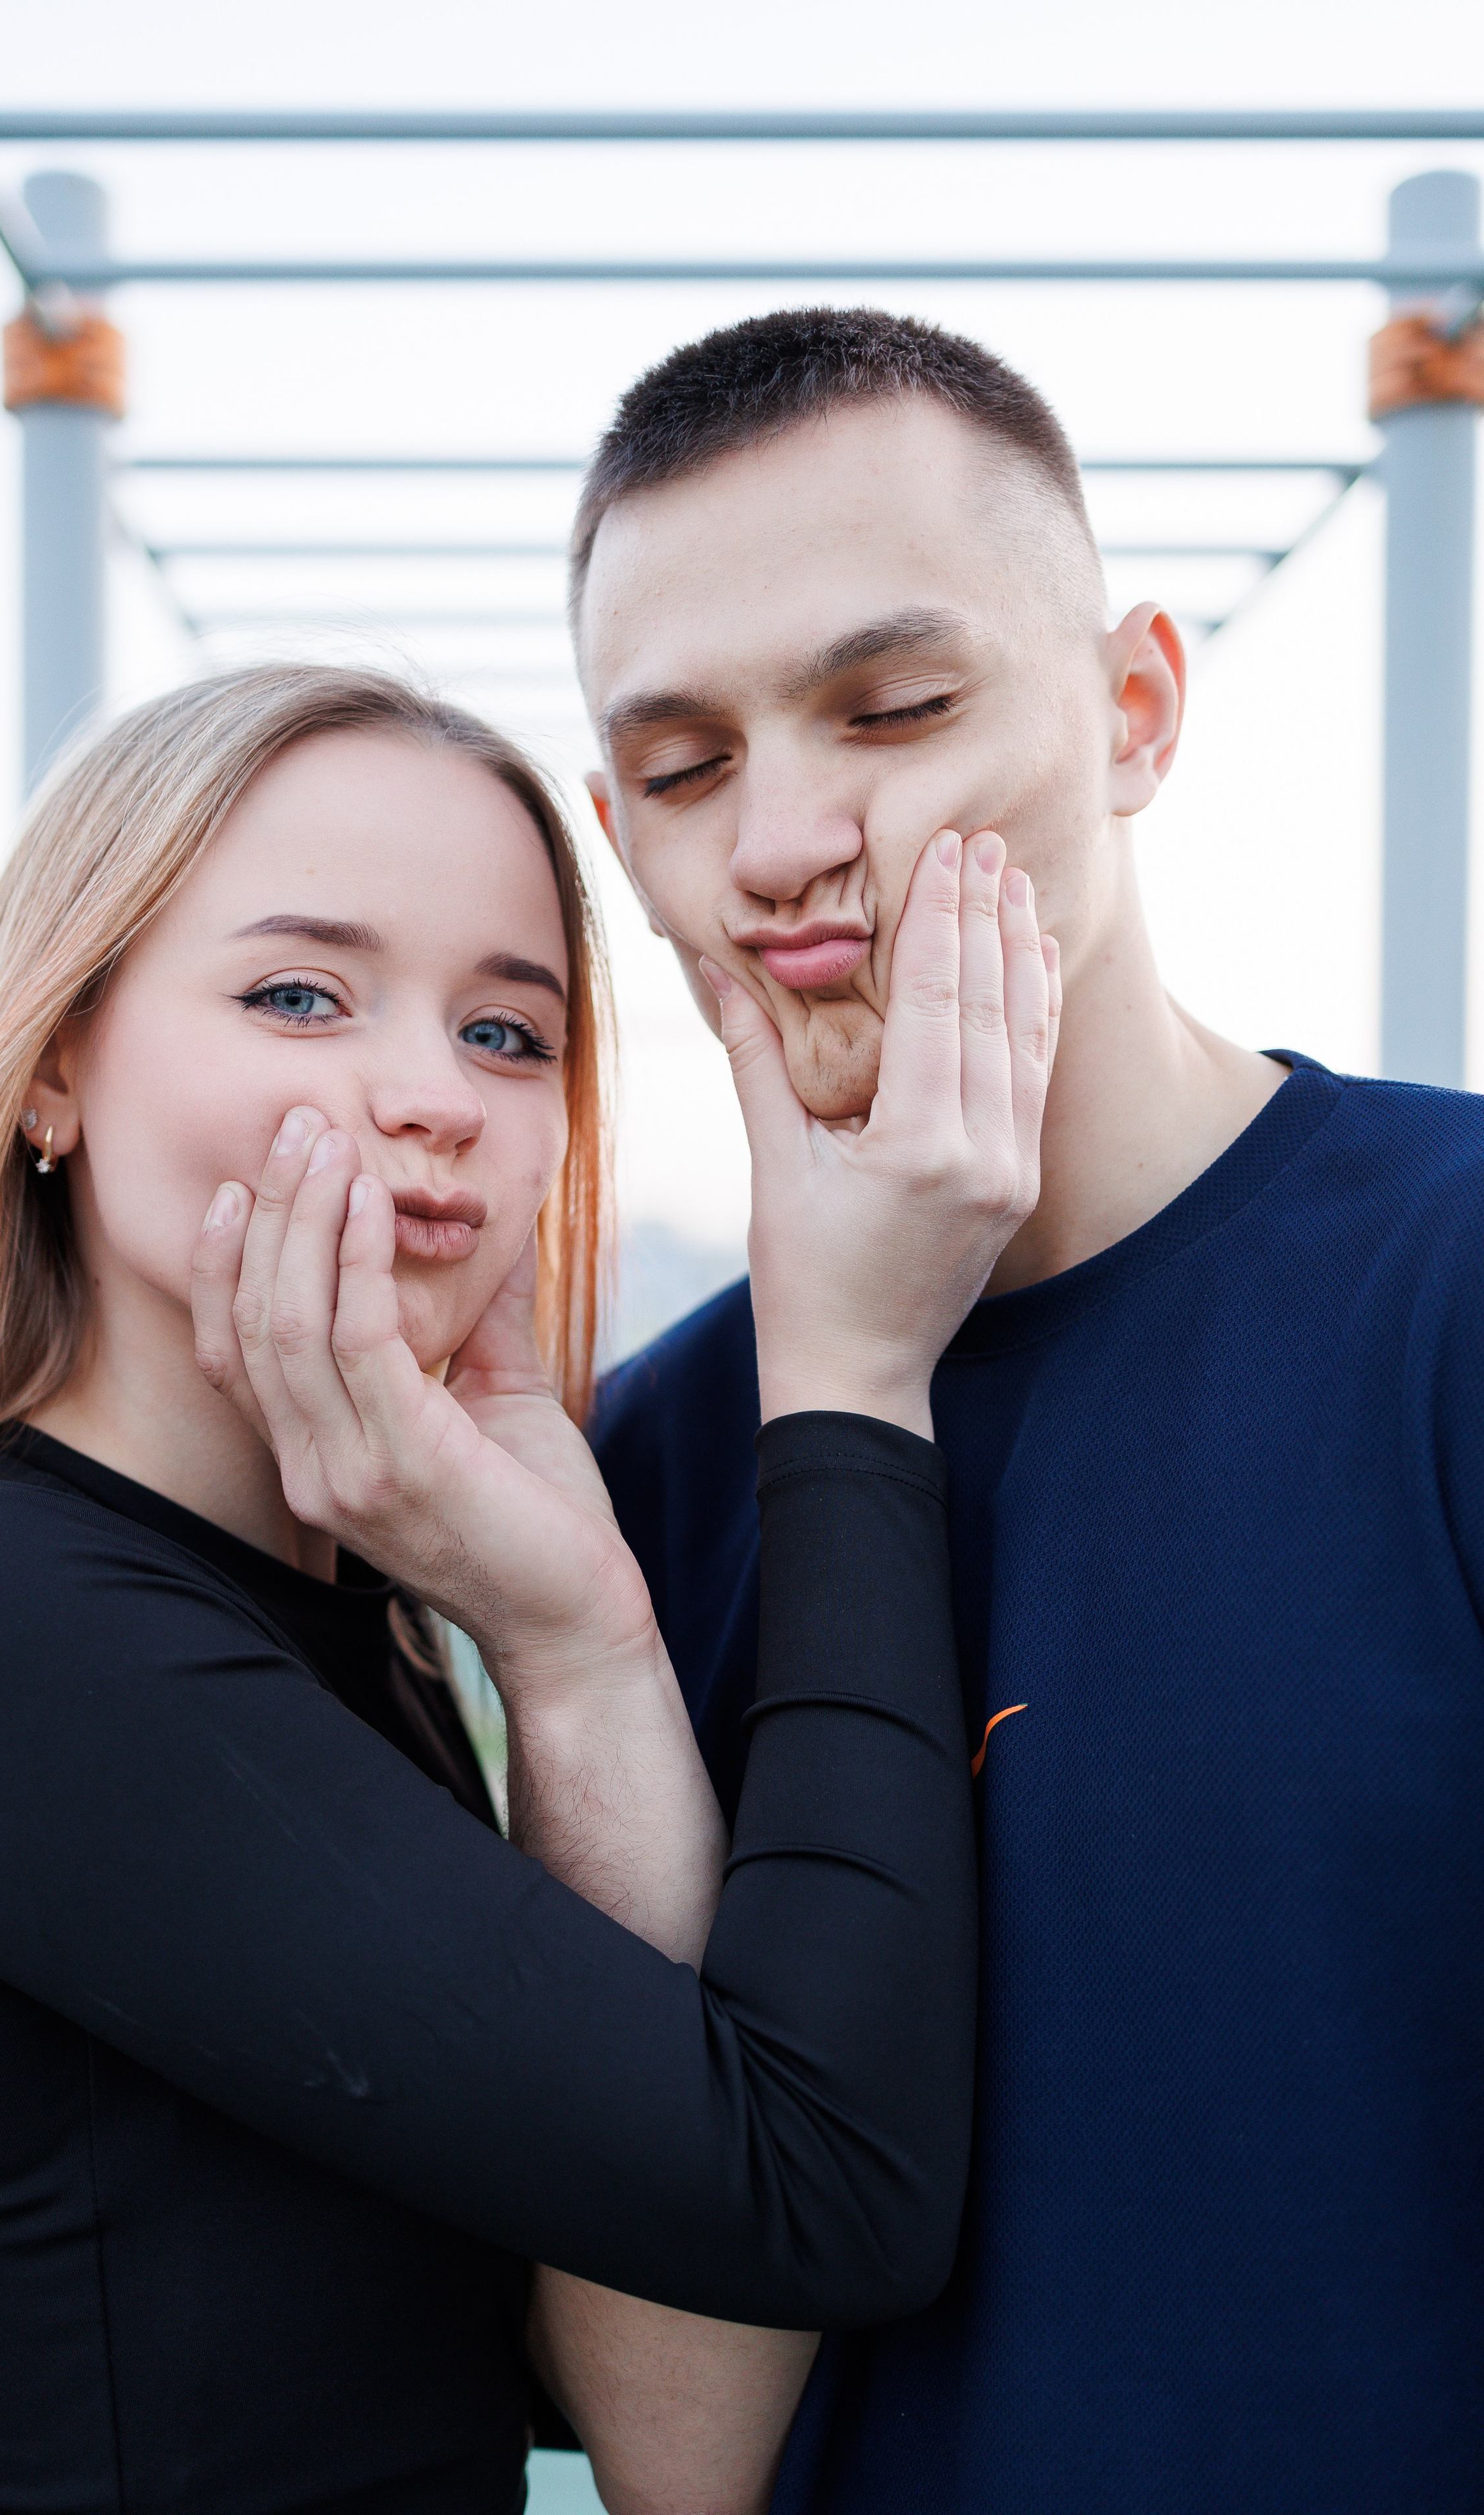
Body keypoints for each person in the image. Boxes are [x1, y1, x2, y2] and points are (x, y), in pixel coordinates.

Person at [0, 662, 1058, 2515]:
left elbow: (672, 2426)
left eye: (507, 1032)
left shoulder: (345, 1618)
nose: (431, 1099)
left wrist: (575, 1649)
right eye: (300, 994)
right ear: (55, 1061)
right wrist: (852, 1388)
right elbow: (826, 2198)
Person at [579, 309, 1484, 2514]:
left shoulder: (1446, 1289)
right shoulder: (637, 1477)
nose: (782, 842)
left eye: (891, 710)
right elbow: (669, 2435)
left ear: (1135, 710)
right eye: (684, 771)